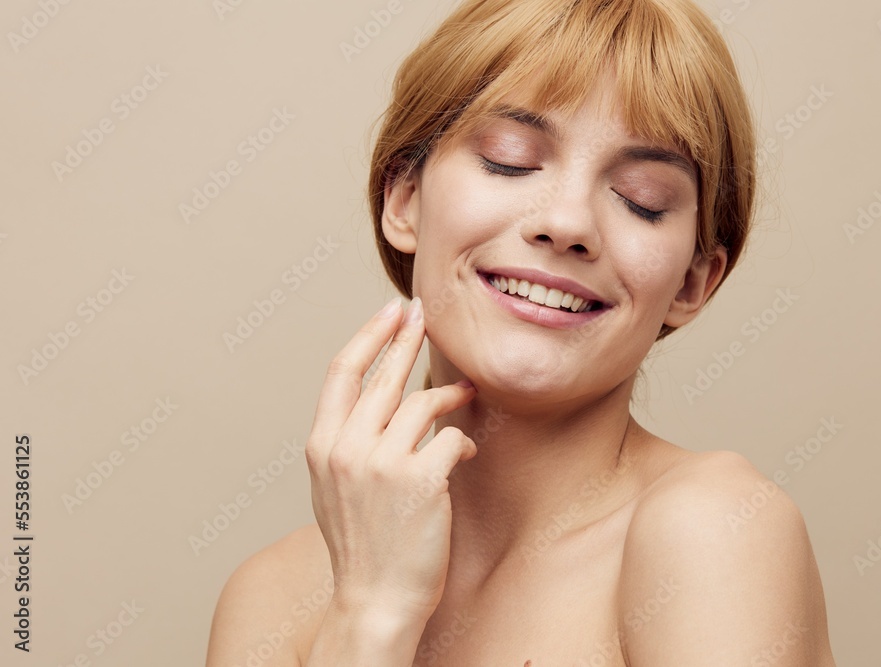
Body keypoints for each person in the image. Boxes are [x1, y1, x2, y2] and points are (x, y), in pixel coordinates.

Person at [206, 0, 837, 664]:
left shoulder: (717, 527)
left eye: (642, 198)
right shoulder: (273, 598)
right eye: (509, 160)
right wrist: (370, 612)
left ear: (691, 282)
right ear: (405, 198)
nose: (566, 223)